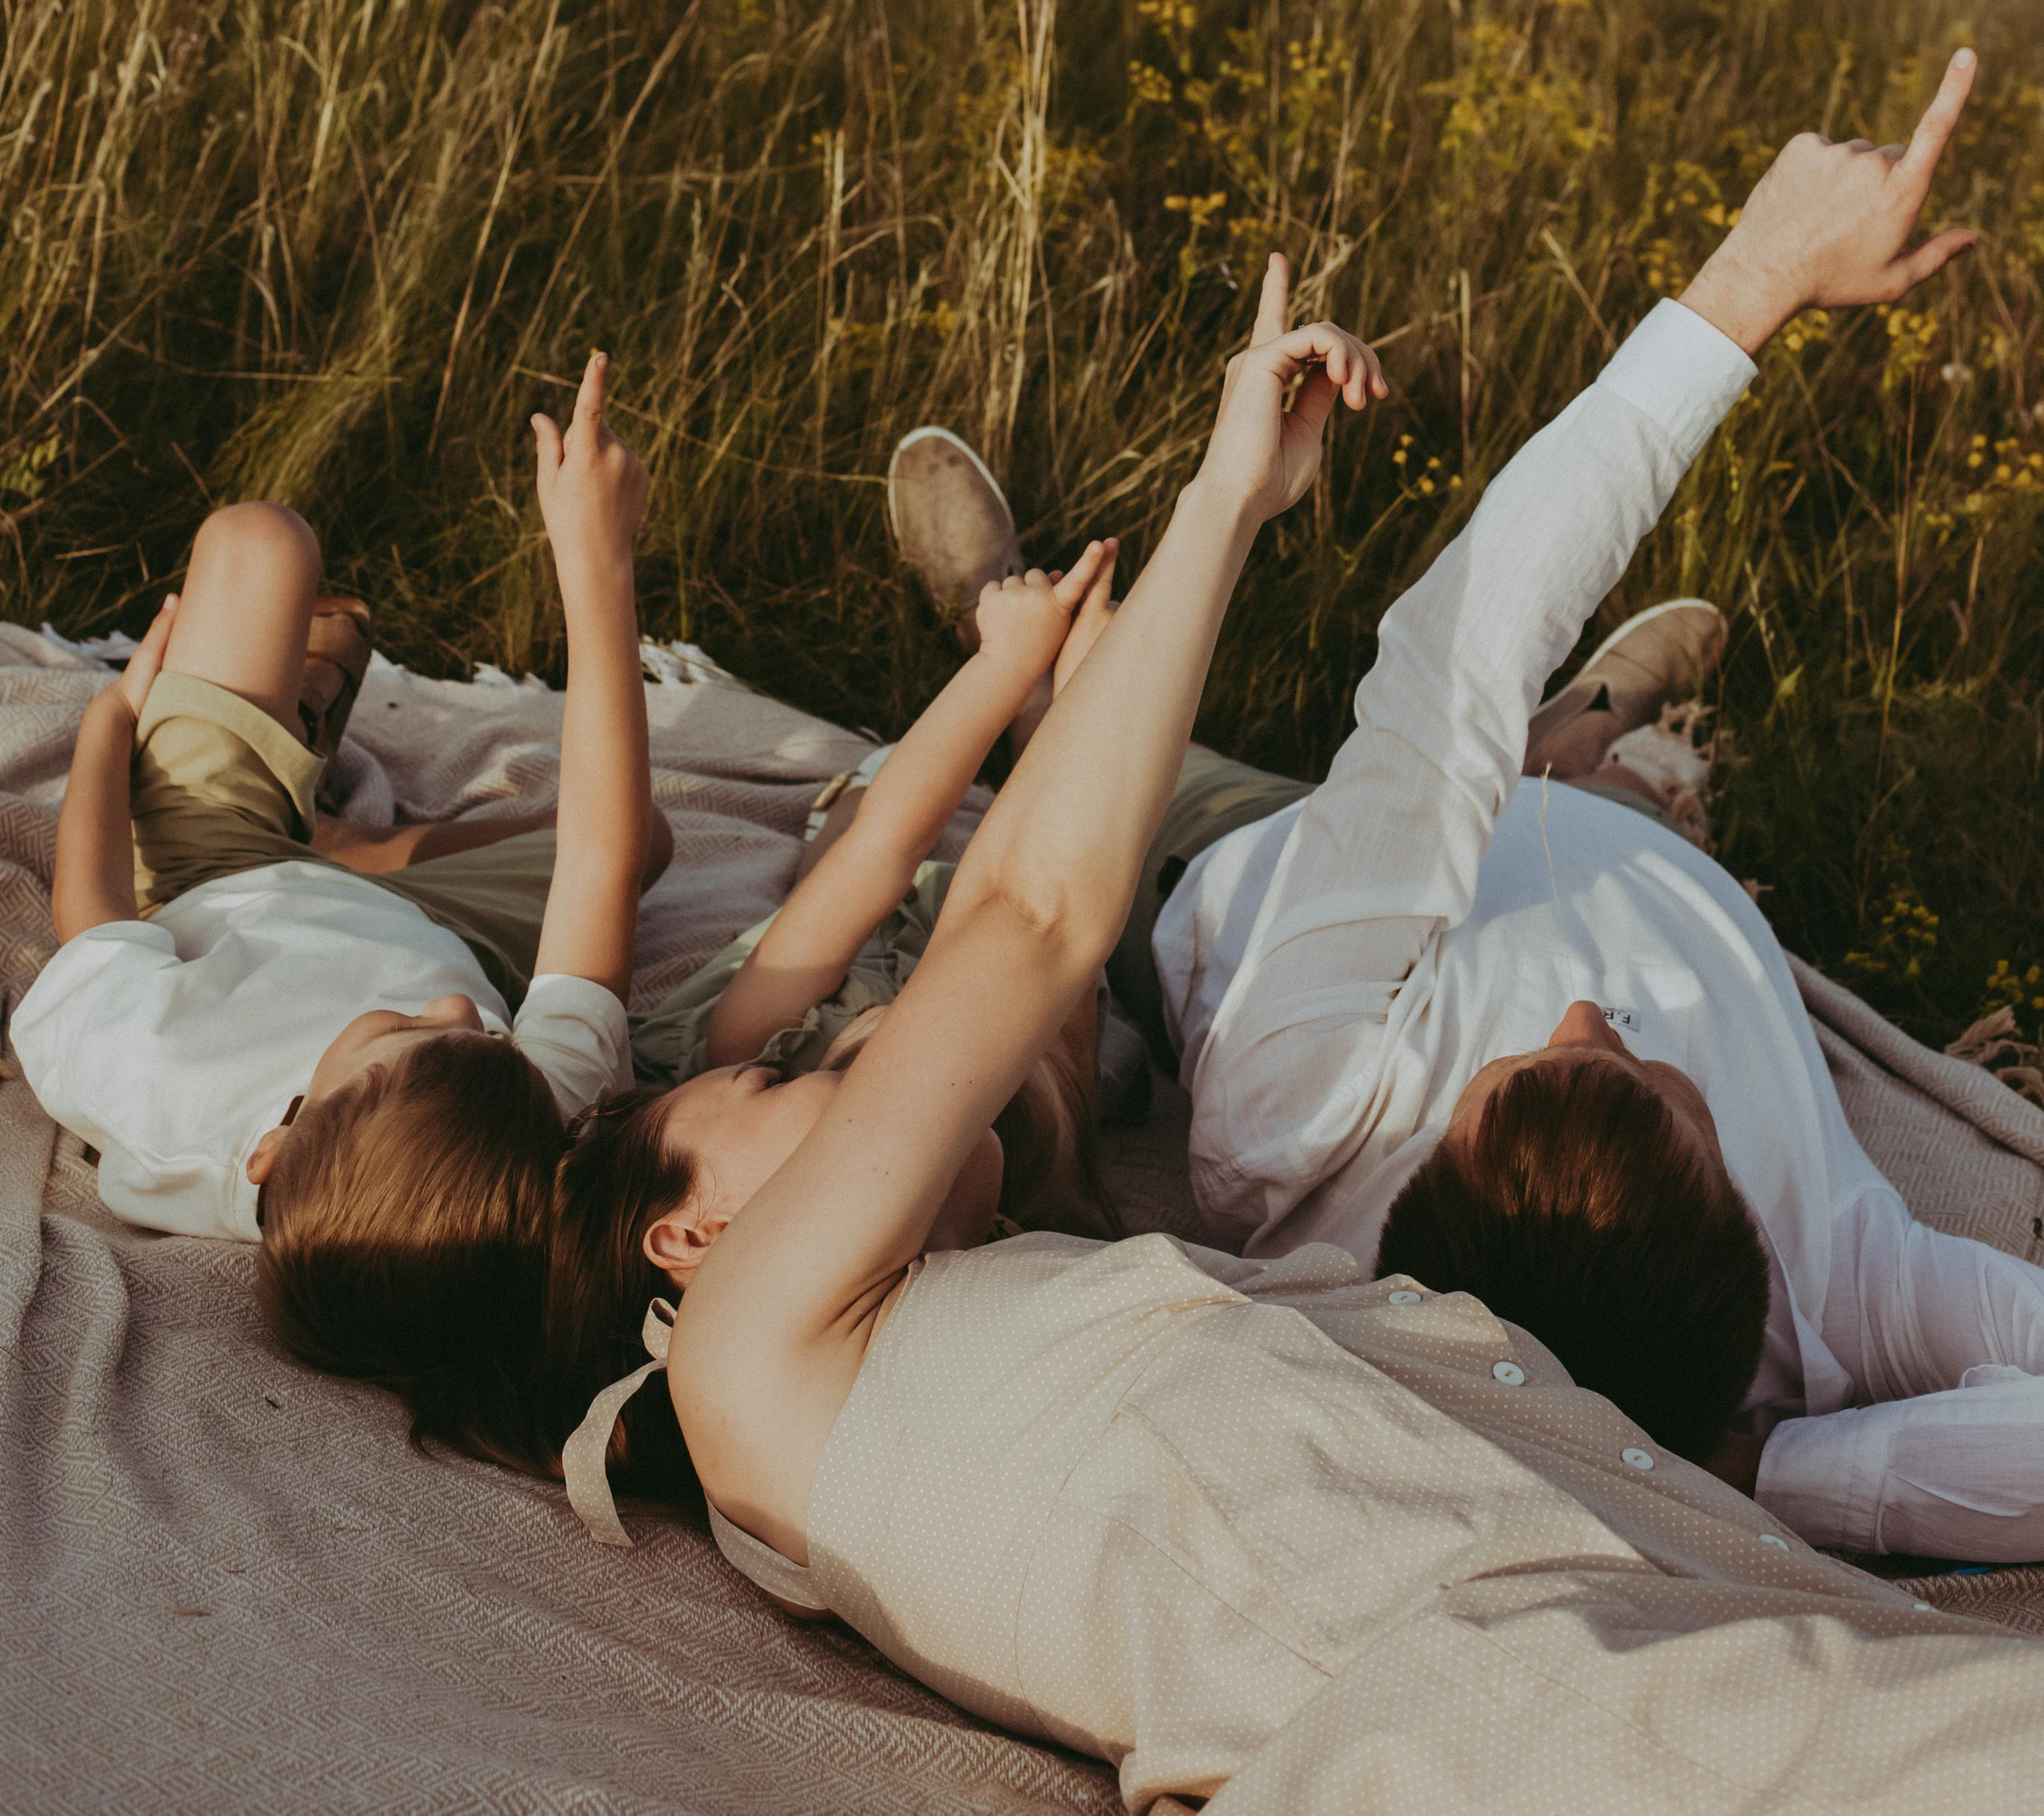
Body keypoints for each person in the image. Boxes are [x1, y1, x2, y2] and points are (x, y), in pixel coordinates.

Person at [557, 140, 2044, 1812]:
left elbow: (1041, 925)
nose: (825, 1066)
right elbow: (1027, 917)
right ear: (691, 1241)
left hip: (1559, 1613)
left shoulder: (1005, 1281)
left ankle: (1062, 655)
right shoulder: (753, 1348)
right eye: (765, 1085)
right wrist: (1224, 497)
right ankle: (1501, 729)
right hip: (1492, 1691)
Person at [1147, 49, 2044, 1562]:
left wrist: (1751, 279)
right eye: (1638, 1078)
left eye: (1524, 1076)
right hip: (1599, 847)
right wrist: (1793, 1474)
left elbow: (1449, 666)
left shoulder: (1290, 1130)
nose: (1581, 1014)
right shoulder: (1831, 1280)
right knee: (1567, 780)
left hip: (1288, 865)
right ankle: (1604, 742)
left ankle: (1010, 645)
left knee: (1118, 757)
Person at [11, 350, 664, 1458]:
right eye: (485, 1042)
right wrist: (596, 560)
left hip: (228, 876)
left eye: (409, 1036)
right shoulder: (509, 1134)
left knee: (260, 542)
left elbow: (96, 914)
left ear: (269, 1151)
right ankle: (358, 841)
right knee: (646, 839)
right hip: (435, 918)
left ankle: (318, 796)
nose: (459, 1016)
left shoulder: (167, 1093)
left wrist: (105, 735)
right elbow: (602, 858)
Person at [545, 536, 1131, 1489]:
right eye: (768, 1083)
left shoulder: (752, 1043)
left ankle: (996, 625)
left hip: (863, 922)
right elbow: (1050, 912)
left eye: (765, 1086)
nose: (796, 1075)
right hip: (1013, 908)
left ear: (694, 1231)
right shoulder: (1036, 1162)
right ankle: (1035, 693)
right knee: (1080, 831)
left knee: (849, 844)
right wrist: (1071, 708)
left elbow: (887, 848)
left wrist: (1002, 662)